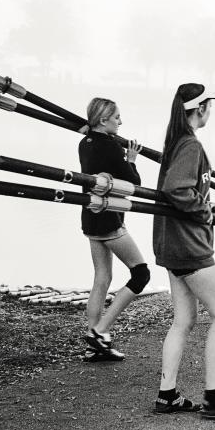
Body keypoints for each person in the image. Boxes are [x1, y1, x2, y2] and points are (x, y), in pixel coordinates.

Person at [150, 83, 215, 421]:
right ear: (200, 109)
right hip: (189, 249)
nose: (211, 112)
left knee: (184, 320)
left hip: (172, 245)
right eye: (209, 106)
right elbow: (176, 189)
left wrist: (214, 217)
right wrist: (205, 212)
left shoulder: (176, 141)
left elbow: (187, 196)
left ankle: (167, 395)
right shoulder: (191, 145)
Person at [76, 98, 149, 363]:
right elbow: (134, 182)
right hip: (109, 220)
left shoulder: (85, 143)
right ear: (103, 120)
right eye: (117, 117)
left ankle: (95, 345)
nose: (121, 122)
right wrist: (131, 159)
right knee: (141, 274)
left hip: (90, 216)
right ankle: (100, 330)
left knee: (102, 278)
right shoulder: (110, 146)